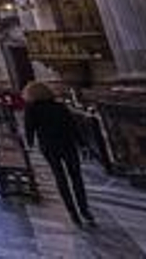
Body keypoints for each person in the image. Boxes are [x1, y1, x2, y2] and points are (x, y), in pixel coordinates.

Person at [22, 81, 95, 226]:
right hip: (67, 144)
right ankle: (84, 210)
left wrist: (29, 145)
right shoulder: (59, 107)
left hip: (49, 146)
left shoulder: (31, 109)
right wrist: (82, 144)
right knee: (76, 177)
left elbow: (29, 129)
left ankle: (72, 212)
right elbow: (72, 126)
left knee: (60, 177)